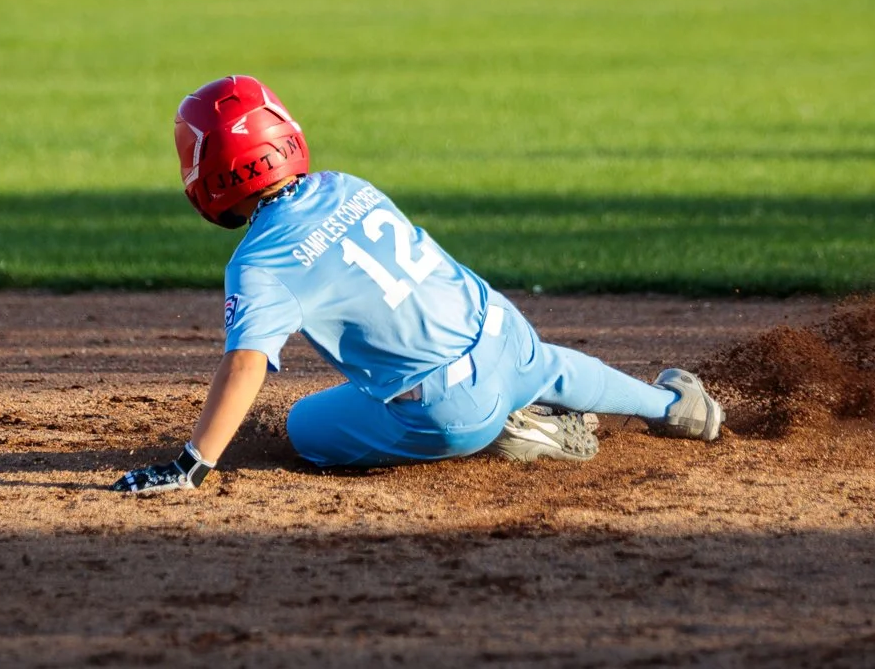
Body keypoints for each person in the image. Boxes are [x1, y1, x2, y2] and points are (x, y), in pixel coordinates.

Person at [113, 75, 725, 493]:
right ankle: (674, 407)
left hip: (454, 409)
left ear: (210, 172)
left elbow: (246, 365)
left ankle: (519, 428)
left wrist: (193, 464)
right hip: (501, 327)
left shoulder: (259, 262)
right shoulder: (345, 185)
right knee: (550, 367)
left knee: (304, 426)